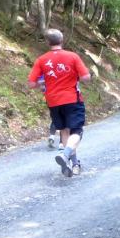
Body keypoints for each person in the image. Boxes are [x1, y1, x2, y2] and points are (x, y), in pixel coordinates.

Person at [27, 28, 91, 177]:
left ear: (47, 42)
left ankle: (72, 164)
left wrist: (44, 83)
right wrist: (77, 76)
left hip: (53, 101)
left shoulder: (41, 60)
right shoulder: (72, 56)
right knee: (77, 131)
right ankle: (65, 154)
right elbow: (86, 77)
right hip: (72, 98)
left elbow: (31, 84)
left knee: (64, 131)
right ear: (62, 40)